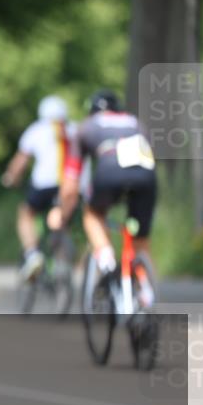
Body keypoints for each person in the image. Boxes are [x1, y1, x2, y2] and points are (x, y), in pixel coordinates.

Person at [52, 90, 157, 308]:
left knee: (92, 214)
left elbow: (71, 184)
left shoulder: (86, 127)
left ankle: (106, 261)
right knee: (140, 240)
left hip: (109, 171)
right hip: (146, 175)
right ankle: (146, 292)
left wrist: (63, 213)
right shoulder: (135, 123)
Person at [2, 95, 75, 280]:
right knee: (62, 219)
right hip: (70, 184)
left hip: (44, 184)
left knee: (26, 213)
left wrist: (11, 177)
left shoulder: (36, 130)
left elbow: (21, 161)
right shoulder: (74, 129)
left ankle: (33, 253)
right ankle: (62, 260)